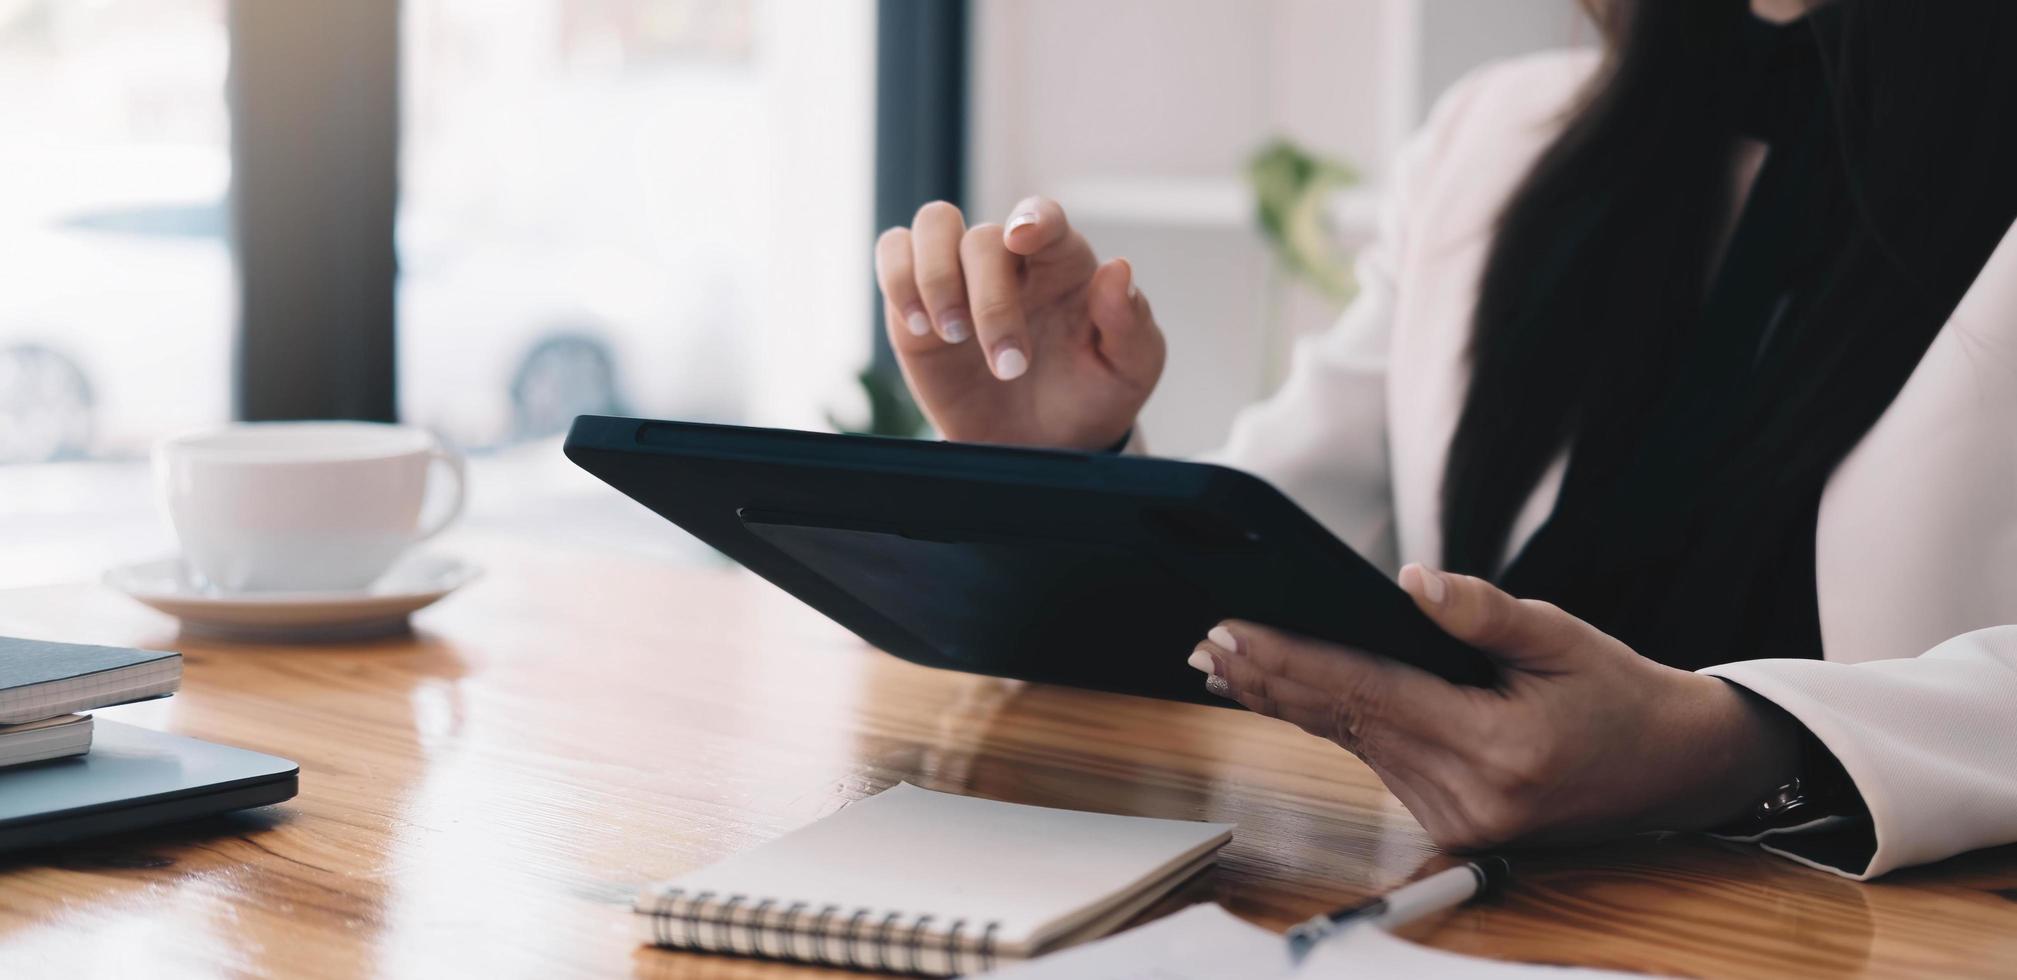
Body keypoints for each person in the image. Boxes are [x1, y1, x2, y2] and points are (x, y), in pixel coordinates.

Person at [871, 0, 2017, 880]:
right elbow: (1269, 552)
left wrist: (1733, 745)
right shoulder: (1497, 134)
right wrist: (1074, 462)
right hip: (1463, 922)